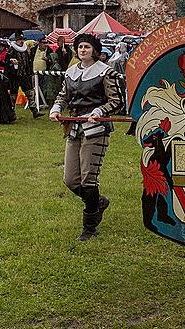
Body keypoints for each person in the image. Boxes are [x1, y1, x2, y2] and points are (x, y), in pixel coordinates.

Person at [49, 33, 123, 241]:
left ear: (95, 50)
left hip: (96, 129)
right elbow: (63, 95)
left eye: (87, 47)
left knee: (88, 179)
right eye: (80, 47)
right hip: (74, 127)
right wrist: (56, 108)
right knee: (71, 180)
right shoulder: (71, 72)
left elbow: (117, 101)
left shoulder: (106, 72)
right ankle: (98, 202)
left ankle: (89, 227)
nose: (83, 50)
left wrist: (99, 111)